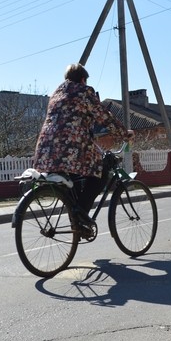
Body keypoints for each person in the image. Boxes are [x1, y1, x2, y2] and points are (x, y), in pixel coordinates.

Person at [32, 63, 133, 233]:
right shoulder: (84, 91)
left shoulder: (56, 94)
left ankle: (77, 222)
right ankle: (81, 215)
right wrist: (124, 133)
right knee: (100, 172)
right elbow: (104, 116)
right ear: (83, 79)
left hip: (46, 150)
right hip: (71, 148)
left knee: (75, 179)